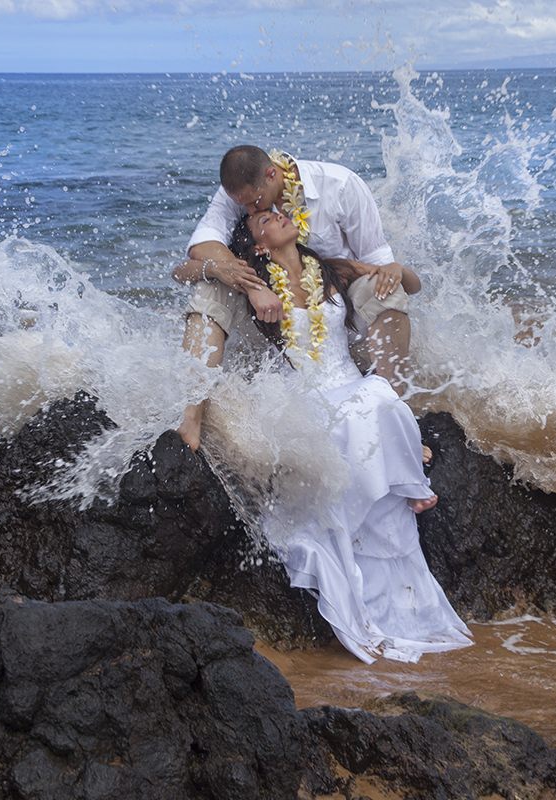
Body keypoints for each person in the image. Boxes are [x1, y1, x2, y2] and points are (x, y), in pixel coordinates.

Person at [182, 208, 472, 664]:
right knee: (367, 403)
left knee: (376, 391)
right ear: (258, 245)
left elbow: (411, 286)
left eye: (278, 211)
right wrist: (239, 278)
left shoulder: (333, 269)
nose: (278, 216)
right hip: (304, 399)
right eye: (264, 220)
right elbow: (184, 273)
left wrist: (398, 269)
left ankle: (409, 481)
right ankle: (409, 480)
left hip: (348, 383)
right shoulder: (252, 279)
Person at [173, 146, 416, 454]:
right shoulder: (240, 192)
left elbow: (381, 265)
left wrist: (396, 272)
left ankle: (395, 413)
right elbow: (199, 248)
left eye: (254, 202)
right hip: (270, 320)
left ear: (272, 174)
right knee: (210, 286)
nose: (248, 211)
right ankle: (190, 414)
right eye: (245, 206)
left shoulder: (341, 186)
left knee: (386, 288)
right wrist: (251, 284)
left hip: (338, 308)